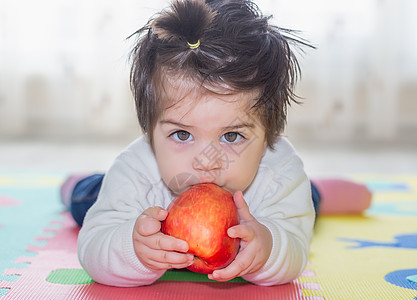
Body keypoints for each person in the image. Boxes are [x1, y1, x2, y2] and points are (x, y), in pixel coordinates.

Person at [67, 0, 371, 287]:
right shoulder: (136, 169)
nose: (206, 161)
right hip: (125, 195)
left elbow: (294, 249)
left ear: (268, 136)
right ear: (149, 131)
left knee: (304, 206)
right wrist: (134, 249)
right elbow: (93, 248)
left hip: (271, 201)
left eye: (232, 136)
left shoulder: (278, 172)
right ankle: (78, 185)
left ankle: (318, 192)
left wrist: (267, 249)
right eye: (182, 135)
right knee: (86, 200)